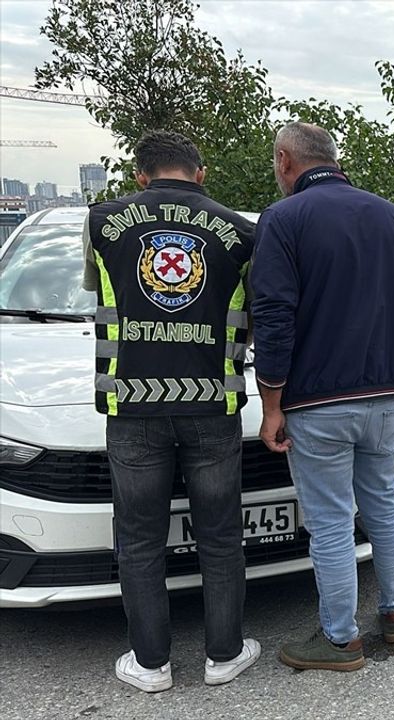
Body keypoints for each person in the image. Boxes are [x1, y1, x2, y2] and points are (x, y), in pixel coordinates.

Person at [83, 131, 260, 692]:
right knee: (221, 535)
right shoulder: (240, 232)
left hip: (131, 404)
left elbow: (104, 295)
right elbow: (254, 314)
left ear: (140, 175)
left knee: (138, 540)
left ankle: (151, 665)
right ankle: (224, 656)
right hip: (212, 403)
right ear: (201, 174)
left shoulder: (102, 223)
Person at [251, 122, 394, 672]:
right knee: (383, 506)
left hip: (318, 403)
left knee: (329, 522)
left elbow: (274, 315)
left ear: (285, 160)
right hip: (383, 397)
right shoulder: (392, 215)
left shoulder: (282, 220)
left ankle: (339, 640)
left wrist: (272, 402)